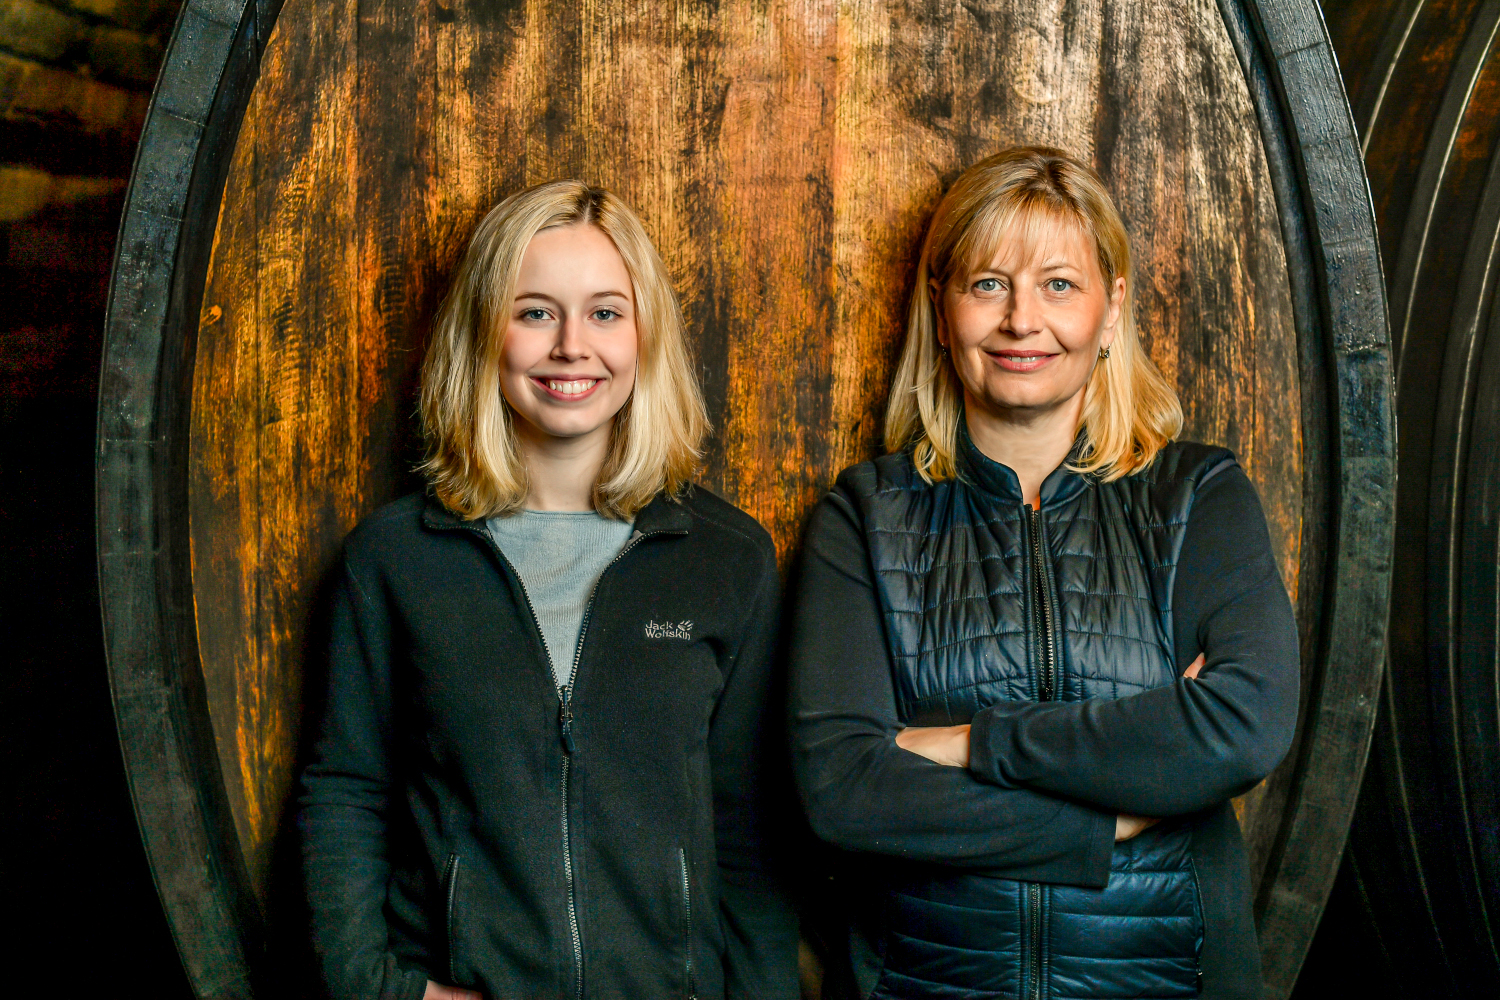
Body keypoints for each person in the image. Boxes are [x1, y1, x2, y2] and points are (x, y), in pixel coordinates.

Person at [787, 147, 1299, 1000]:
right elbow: (844, 789)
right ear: (941, 311)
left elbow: (1239, 726)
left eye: (1059, 285)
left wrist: (971, 744)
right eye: (988, 284)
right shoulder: (867, 515)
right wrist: (1116, 815)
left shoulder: (1197, 496)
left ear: (1111, 308)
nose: (1023, 320)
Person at [298, 180, 799, 1000]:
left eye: (605, 313)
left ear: (644, 337)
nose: (572, 346)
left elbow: (749, 830)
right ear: (483, 335)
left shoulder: (724, 557)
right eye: (535, 312)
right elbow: (348, 793)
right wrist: (381, 993)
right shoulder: (396, 558)